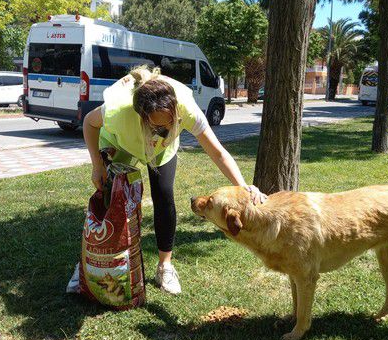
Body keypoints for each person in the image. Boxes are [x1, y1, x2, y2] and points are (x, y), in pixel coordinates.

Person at [83, 66, 266, 295]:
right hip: (120, 143)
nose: (167, 129)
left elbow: (217, 152)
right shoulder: (118, 110)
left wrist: (243, 186)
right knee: (109, 198)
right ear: (142, 116)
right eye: (159, 126)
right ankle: (92, 260)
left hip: (161, 152)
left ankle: (165, 266)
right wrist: (97, 166)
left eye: (172, 123)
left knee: (164, 195)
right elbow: (89, 123)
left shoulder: (185, 108)